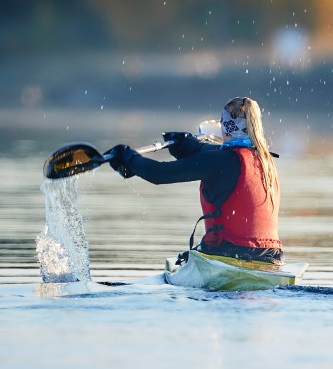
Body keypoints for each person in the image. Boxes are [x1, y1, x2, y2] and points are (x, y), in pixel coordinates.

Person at [107, 96, 283, 264]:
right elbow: (208, 151)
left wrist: (128, 157)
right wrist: (186, 144)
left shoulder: (220, 161)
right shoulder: (265, 159)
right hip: (270, 255)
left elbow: (159, 174)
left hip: (229, 252)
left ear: (224, 126)